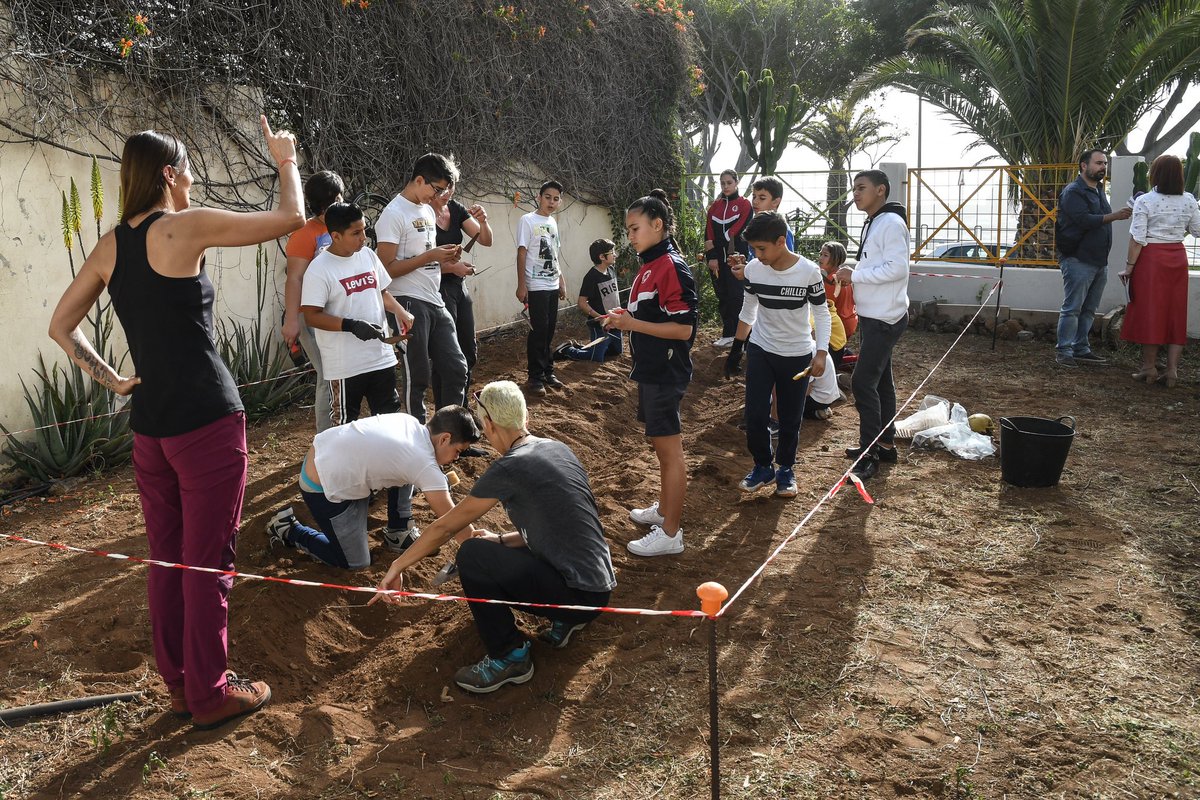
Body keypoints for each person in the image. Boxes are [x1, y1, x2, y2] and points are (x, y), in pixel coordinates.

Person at [47, 117, 305, 729]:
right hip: (208, 423)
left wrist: (113, 380)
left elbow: (62, 326)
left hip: (151, 428)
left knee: (168, 560)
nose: (192, 178)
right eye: (186, 168)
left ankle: (181, 685)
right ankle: (213, 694)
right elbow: (290, 220)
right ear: (168, 174)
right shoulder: (184, 228)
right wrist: (286, 161)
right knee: (208, 562)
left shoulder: (112, 244)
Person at [371, 381, 616, 694]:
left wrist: (398, 566)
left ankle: (510, 655)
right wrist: (500, 541)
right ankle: (565, 619)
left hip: (577, 595)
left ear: (489, 424)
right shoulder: (556, 449)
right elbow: (556, 528)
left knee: (472, 555)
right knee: (485, 548)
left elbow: (445, 527)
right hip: (597, 588)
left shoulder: (511, 467)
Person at [300, 202, 418, 548]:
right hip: (344, 369)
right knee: (341, 444)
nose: (363, 237)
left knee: (395, 437)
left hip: (380, 360)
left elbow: (380, 291)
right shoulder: (319, 269)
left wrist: (400, 312)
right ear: (334, 235)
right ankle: (345, 519)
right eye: (356, 232)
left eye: (364, 229)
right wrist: (349, 325)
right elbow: (310, 315)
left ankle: (398, 526)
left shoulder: (367, 256)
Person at [266, 407, 482, 569]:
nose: (457, 458)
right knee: (354, 563)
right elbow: (452, 522)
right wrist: (480, 550)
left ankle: (398, 531)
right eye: (458, 450)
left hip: (327, 459)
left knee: (413, 474)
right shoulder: (423, 464)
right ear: (445, 438)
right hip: (323, 487)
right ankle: (289, 529)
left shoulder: (409, 423)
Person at [604, 190, 698, 556]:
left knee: (669, 451)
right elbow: (645, 318)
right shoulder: (648, 266)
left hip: (665, 369)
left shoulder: (671, 266)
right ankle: (663, 511)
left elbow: (684, 330)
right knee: (661, 450)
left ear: (657, 225)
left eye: (635, 228)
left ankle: (671, 533)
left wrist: (632, 324)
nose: (630, 235)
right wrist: (623, 321)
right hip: (650, 369)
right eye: (628, 230)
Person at [723, 212, 831, 498]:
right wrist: (737, 347)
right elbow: (749, 307)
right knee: (755, 414)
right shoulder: (755, 270)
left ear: (781, 241)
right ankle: (762, 465)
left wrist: (820, 353)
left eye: (761, 249)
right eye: (753, 250)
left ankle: (785, 469)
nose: (756, 256)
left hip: (796, 353)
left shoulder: (808, 272)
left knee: (790, 416)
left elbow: (821, 313)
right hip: (761, 348)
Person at [376, 153, 470, 419]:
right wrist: (430, 257)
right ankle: (416, 439)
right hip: (407, 301)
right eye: (437, 188)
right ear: (419, 179)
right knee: (417, 376)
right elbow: (385, 270)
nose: (440, 195)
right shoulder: (393, 214)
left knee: (456, 368)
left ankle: (449, 434)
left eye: (445, 190)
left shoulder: (427, 210)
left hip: (434, 299)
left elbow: (426, 258)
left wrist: (445, 258)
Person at [835, 170, 910, 481]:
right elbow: (878, 262)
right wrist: (855, 268)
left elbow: (897, 267)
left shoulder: (891, 223)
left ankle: (869, 454)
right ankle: (886, 443)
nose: (855, 193)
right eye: (854, 188)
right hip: (875, 315)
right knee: (881, 382)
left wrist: (856, 276)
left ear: (881, 190)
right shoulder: (876, 221)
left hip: (884, 318)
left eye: (861, 188)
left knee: (863, 383)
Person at [1119, 154, 1200, 387]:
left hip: (1151, 260)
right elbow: (1197, 231)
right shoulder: (1189, 200)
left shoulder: (1145, 200)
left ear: (1154, 174)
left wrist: (1129, 268)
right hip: (1177, 257)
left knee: (1150, 311)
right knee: (1176, 312)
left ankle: (1149, 367)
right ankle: (1172, 371)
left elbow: (1137, 238)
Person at [1054, 149, 1132, 367]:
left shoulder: (1098, 190)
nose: (1103, 167)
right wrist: (1115, 216)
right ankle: (1064, 351)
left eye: (1105, 164)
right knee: (1073, 308)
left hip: (1098, 261)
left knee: (1088, 309)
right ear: (1083, 165)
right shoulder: (1073, 191)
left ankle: (1081, 348)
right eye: (1098, 163)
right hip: (1078, 259)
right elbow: (1084, 220)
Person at [281, 170, 345, 432]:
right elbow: (294, 279)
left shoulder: (342, 226)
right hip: (313, 317)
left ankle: (338, 431)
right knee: (328, 376)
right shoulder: (304, 234)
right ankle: (325, 437)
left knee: (339, 375)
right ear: (332, 198)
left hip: (337, 315)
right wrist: (291, 320)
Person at [431, 185, 492, 410]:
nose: (447, 192)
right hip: (436, 289)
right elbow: (416, 262)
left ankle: (460, 407)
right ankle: (446, 413)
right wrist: (451, 268)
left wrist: (483, 220)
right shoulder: (422, 214)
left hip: (458, 287)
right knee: (446, 356)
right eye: (442, 187)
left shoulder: (455, 209)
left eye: (452, 186)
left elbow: (486, 239)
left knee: (468, 351)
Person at [516, 180, 567, 394]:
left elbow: (554, 254)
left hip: (552, 282)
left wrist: (562, 281)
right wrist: (521, 285)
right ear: (539, 196)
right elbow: (521, 252)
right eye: (548, 197)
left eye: (556, 199)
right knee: (538, 330)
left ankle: (548, 370)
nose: (551, 202)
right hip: (535, 284)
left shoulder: (553, 222)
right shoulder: (527, 220)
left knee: (549, 330)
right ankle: (534, 376)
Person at [553, 238, 623, 362]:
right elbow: (582, 302)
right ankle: (567, 350)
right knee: (595, 357)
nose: (615, 255)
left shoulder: (611, 270)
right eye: (612, 252)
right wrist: (600, 317)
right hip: (599, 326)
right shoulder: (591, 277)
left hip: (614, 323)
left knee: (616, 351)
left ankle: (584, 347)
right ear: (602, 257)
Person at [704, 169, 752, 347]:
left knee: (737, 295)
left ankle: (742, 336)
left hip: (736, 259)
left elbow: (737, 230)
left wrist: (722, 243)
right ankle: (728, 333)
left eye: (729, 182)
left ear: (736, 182)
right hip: (718, 260)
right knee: (722, 295)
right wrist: (712, 256)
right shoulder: (714, 206)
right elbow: (708, 234)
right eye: (722, 183)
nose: (725, 186)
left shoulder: (744, 204)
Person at [819, 241, 858, 343]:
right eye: (821, 254)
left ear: (835, 259)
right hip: (850, 321)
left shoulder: (832, 279)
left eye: (825, 255)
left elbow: (827, 307)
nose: (821, 258)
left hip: (839, 325)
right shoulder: (844, 275)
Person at [749, 175, 794, 250]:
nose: (755, 201)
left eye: (762, 198)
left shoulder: (782, 230)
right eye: (754, 197)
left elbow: (787, 260)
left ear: (775, 201)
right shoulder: (756, 225)